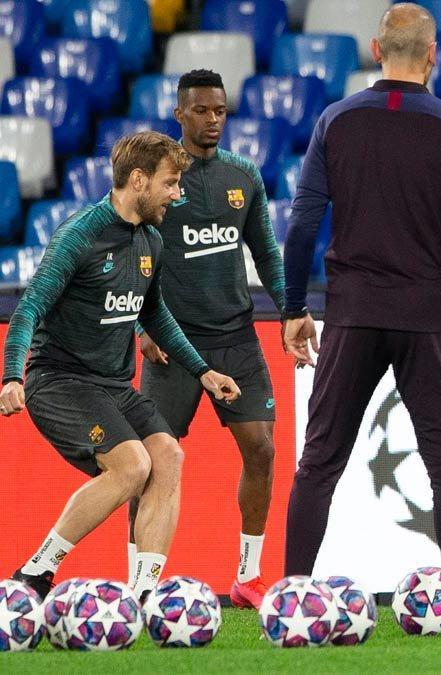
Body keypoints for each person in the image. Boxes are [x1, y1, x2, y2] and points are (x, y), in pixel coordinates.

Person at [281, 4, 441, 639]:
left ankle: (294, 602)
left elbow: (300, 226)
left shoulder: (335, 120)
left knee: (319, 461)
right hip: (428, 316)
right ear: (434, 55)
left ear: (376, 49)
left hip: (351, 311)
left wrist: (295, 308)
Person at [2, 132, 240, 600]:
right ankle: (35, 573)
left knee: (168, 456)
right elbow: (29, 307)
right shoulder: (80, 235)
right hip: (59, 380)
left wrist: (204, 372)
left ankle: (142, 595)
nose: (178, 193)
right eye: (171, 184)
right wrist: (12, 374)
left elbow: (154, 315)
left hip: (114, 384)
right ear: (138, 180)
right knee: (132, 466)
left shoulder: (152, 239)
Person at [130, 69, 286, 609]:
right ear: (179, 114)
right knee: (150, 461)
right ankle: (141, 583)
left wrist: (292, 310)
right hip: (173, 344)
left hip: (236, 340)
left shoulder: (243, 175)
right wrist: (140, 325)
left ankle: (248, 574)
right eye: (201, 110)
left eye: (220, 110)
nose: (212, 119)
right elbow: (130, 255)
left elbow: (265, 251)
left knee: (262, 450)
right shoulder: (156, 180)